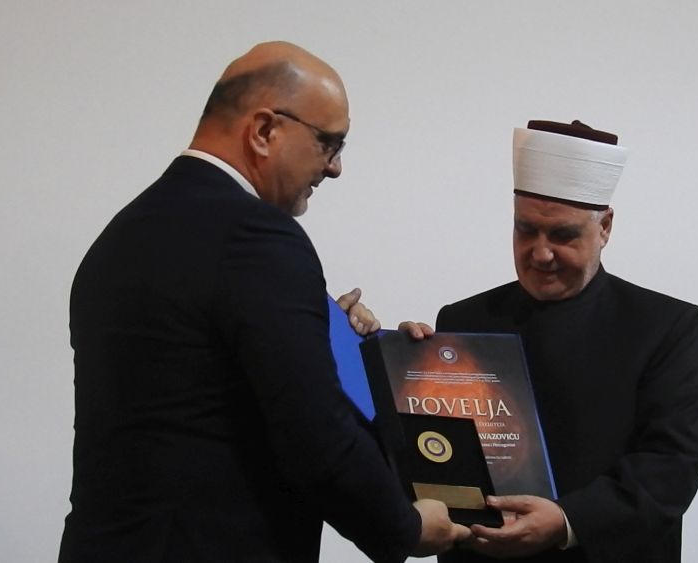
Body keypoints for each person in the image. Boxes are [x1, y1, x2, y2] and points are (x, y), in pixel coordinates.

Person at [58, 41, 469, 563]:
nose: (336, 168)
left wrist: (334, 339)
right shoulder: (257, 237)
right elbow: (313, 432)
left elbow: (196, 392)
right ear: (264, 131)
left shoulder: (123, 233)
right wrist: (405, 527)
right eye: (329, 143)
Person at [405, 120, 698, 562]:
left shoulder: (665, 326)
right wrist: (402, 363)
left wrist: (569, 520)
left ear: (605, 227)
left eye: (563, 235)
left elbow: (671, 464)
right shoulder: (463, 320)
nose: (541, 253)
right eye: (526, 230)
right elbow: (434, 449)